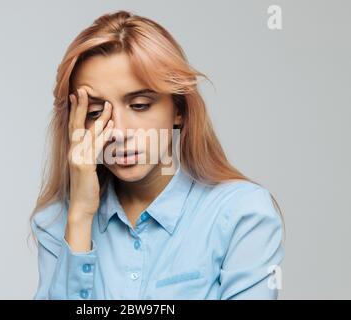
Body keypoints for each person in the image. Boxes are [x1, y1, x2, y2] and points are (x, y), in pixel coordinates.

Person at [30, 10, 284, 300]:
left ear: (178, 109)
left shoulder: (243, 213)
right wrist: (80, 216)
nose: (118, 132)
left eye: (139, 105)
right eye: (96, 112)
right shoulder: (57, 221)